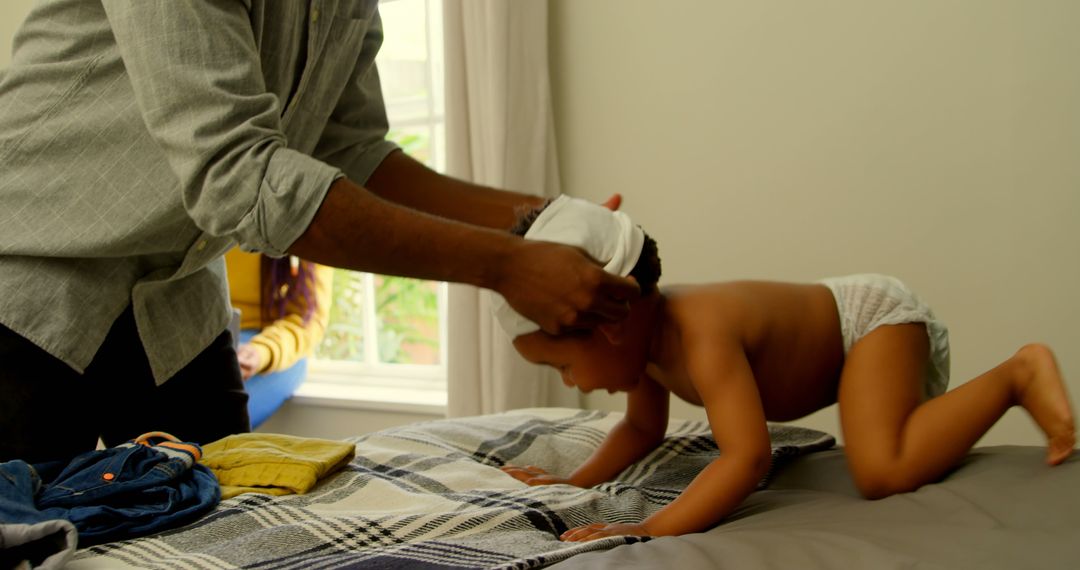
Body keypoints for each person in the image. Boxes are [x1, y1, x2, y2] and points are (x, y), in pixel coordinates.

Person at [0, 2, 639, 464]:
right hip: (30, 283)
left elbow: (351, 150)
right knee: (33, 534)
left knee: (232, 530)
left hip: (176, 294)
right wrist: (506, 267)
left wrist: (543, 219)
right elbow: (238, 174)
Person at [497, 196, 1076, 540]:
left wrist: (650, 529)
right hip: (847, 342)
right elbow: (642, 430)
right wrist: (576, 481)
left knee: (880, 468)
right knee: (884, 451)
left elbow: (747, 456)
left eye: (565, 366)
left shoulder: (700, 333)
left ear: (609, 322)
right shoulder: (646, 350)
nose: (573, 383)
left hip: (868, 322)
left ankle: (1016, 374)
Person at [225, 249, 333, 428]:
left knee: (213, 422)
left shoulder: (303, 228)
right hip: (194, 339)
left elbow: (308, 319)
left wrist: (262, 351)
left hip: (264, 346)